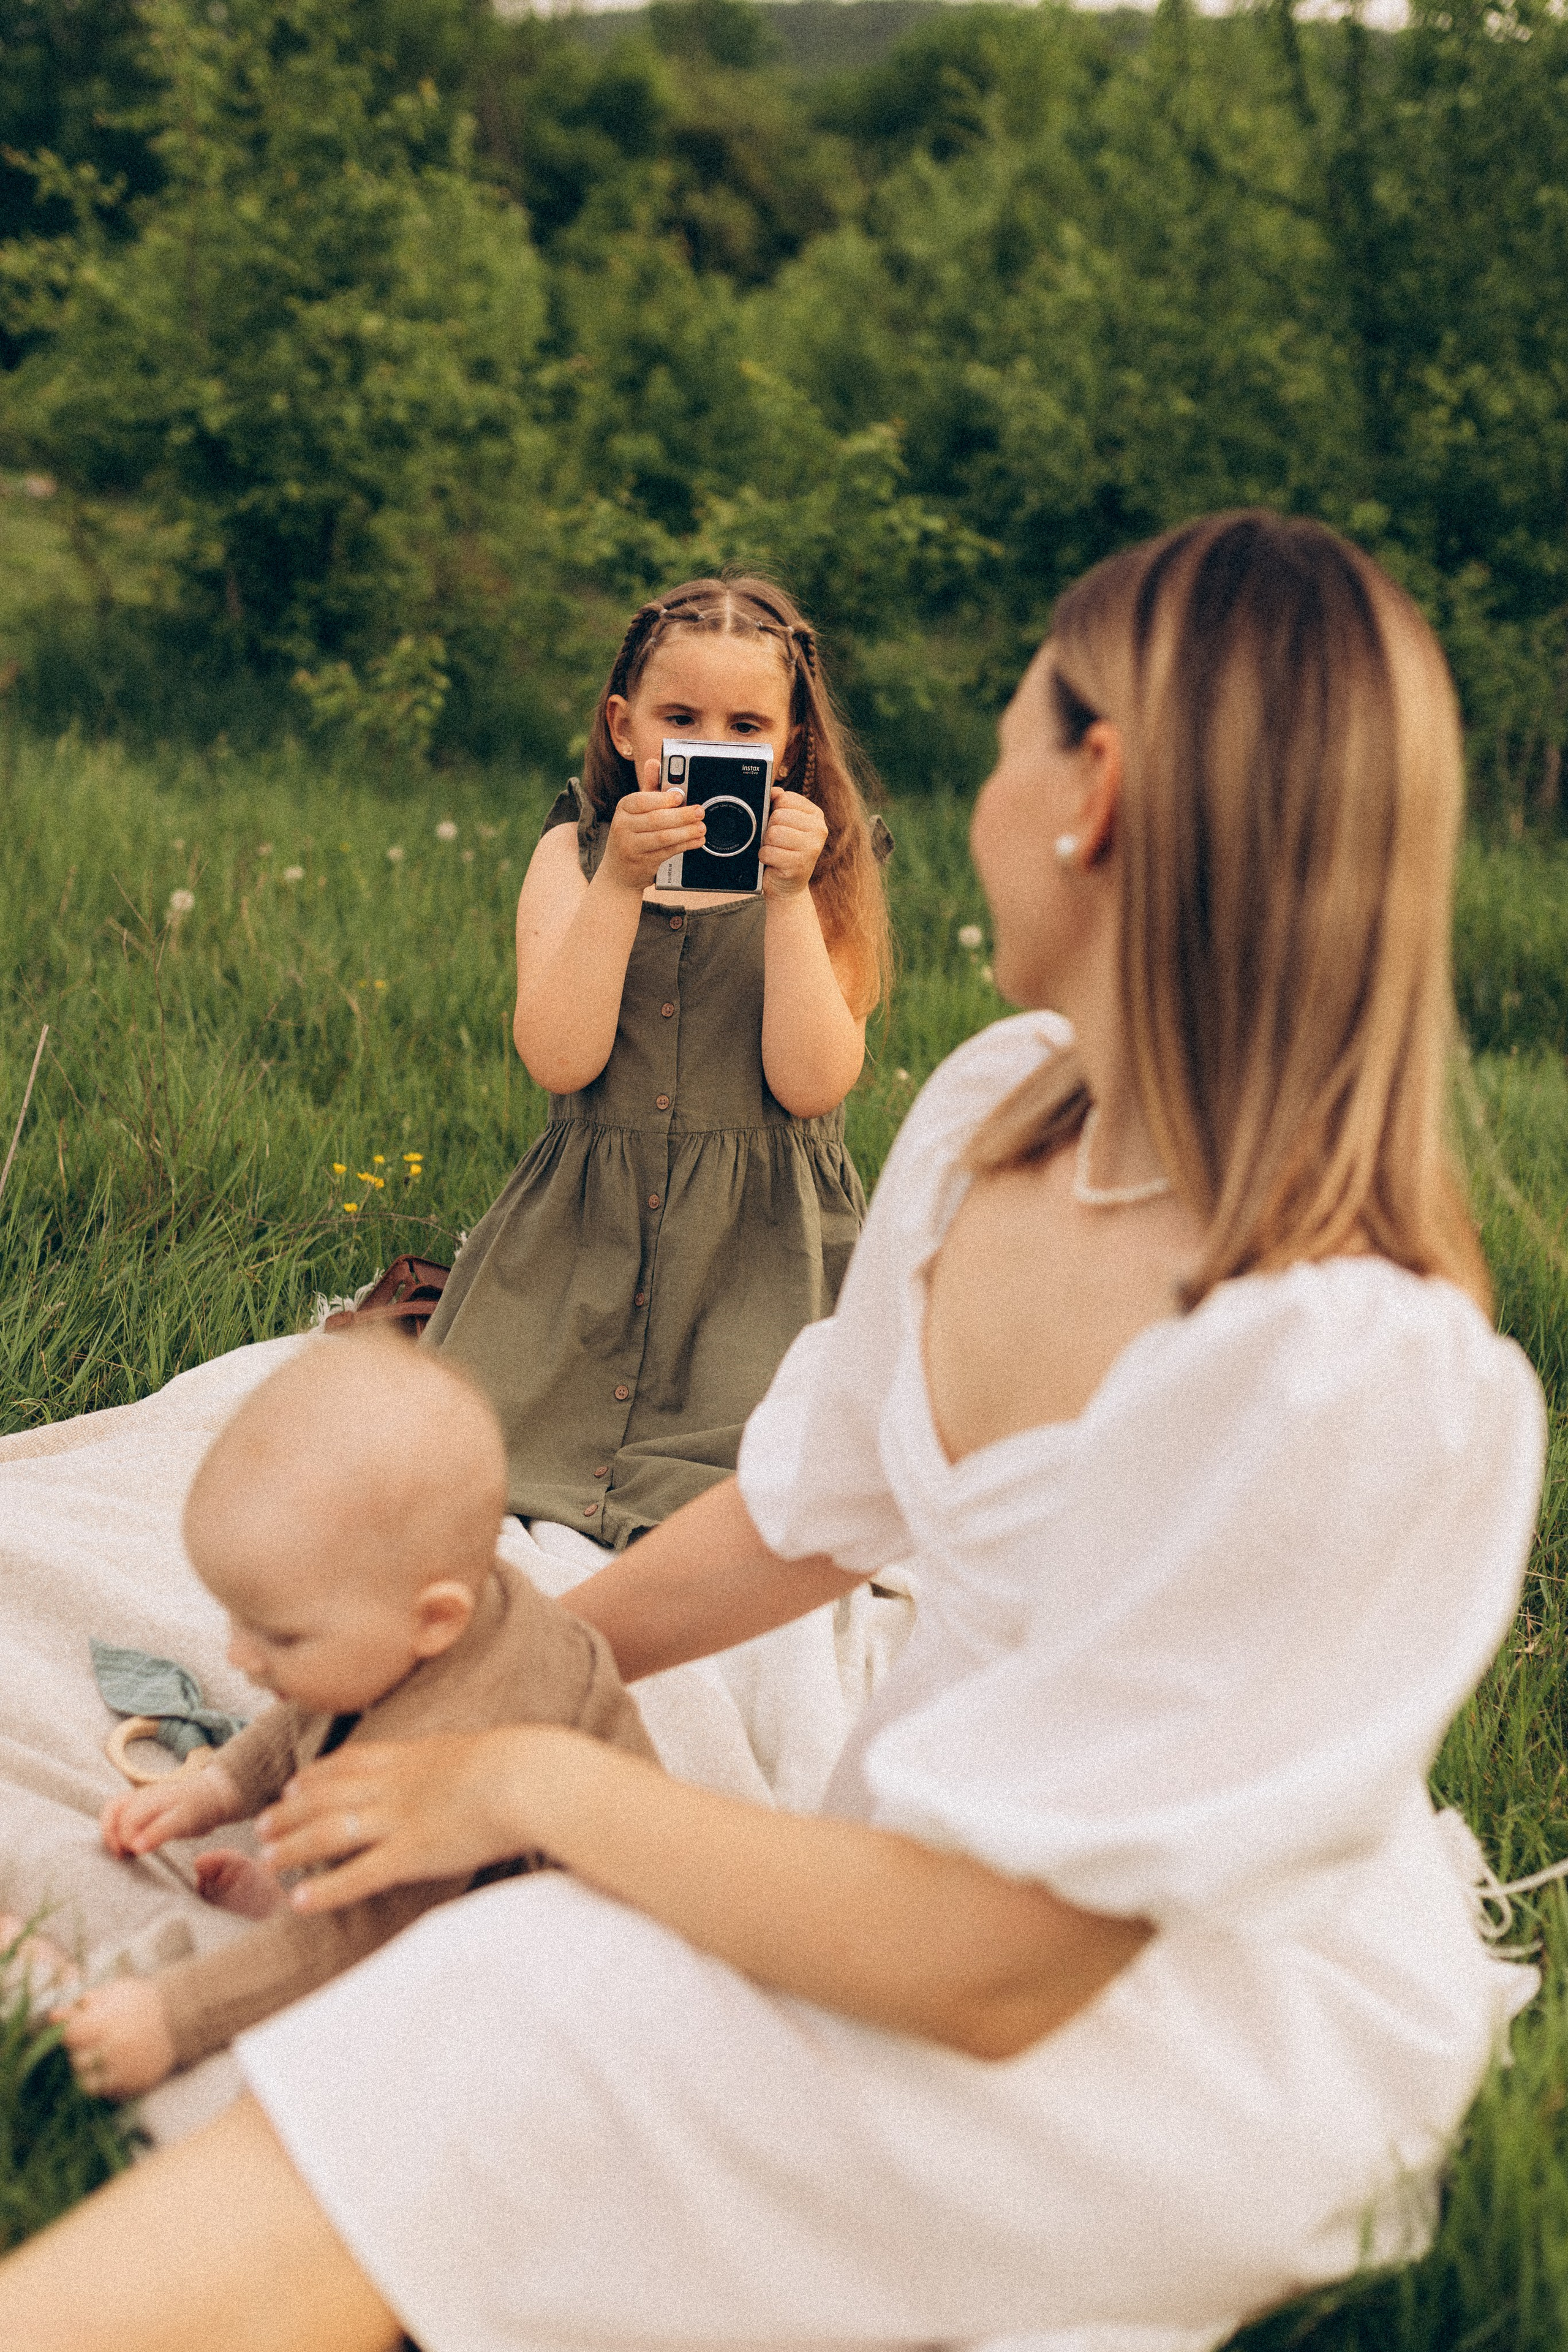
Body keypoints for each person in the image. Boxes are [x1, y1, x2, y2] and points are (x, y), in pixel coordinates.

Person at [0, 510, 1546, 2352]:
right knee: (502, 1994)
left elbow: (1002, 1963)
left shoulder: (1356, 1372)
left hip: (1139, 2043)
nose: (971, 793)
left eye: (1005, 735)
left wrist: (532, 1783)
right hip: (904, 1883)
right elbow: (801, 1511)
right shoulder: (1003, 1120)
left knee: (523, 1992)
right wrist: (457, 1692)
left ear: (1098, 792)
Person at [11, 1333, 652, 2100]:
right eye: (235, 1621)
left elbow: (351, 1937)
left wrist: (171, 2017)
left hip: (545, 1968)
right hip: (447, 1880)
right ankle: (289, 1901)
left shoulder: (443, 1750)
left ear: (435, 1621)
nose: (239, 1656)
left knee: (388, 2043)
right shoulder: (418, 1613)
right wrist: (218, 1788)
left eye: (279, 1637)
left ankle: (293, 1916)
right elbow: (316, 1705)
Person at [423, 571, 894, 1548]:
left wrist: (791, 897)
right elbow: (559, 1059)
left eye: (745, 727)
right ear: (625, 726)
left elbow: (811, 1084)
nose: (711, 750)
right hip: (580, 1248)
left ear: (789, 745)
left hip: (760, 1256)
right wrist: (620, 885)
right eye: (680, 720)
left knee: (767, 1471)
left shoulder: (824, 871)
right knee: (459, 1448)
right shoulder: (574, 855)